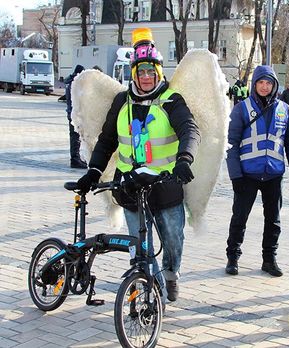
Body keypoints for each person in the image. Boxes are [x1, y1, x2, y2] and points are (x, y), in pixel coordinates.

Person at [75, 28, 201, 303]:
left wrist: (184, 160)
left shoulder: (171, 100)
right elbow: (107, 140)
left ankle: (170, 275)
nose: (146, 77)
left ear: (158, 72)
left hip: (165, 185)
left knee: (172, 241)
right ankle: (150, 290)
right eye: (141, 72)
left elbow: (189, 130)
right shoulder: (122, 101)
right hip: (129, 186)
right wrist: (94, 171)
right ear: (134, 74)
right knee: (140, 247)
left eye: (150, 72)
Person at [225, 65, 289, 277]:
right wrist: (235, 175)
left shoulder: (284, 110)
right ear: (254, 84)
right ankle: (233, 257)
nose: (265, 86)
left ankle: (269, 259)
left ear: (274, 85)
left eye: (269, 83)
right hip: (247, 175)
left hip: (273, 175)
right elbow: (230, 143)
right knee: (239, 218)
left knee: (273, 220)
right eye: (261, 82)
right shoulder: (242, 108)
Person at [65, 65, 87, 169]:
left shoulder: (70, 82)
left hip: (71, 113)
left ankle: (76, 158)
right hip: (74, 114)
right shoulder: (75, 84)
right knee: (75, 137)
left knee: (75, 136)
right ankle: (75, 159)